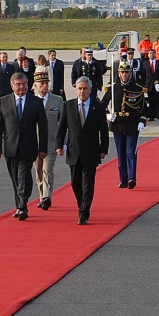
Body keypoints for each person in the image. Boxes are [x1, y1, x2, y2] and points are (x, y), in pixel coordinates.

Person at [0, 73, 48, 221]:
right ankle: (19, 206)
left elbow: (43, 127)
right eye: (18, 84)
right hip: (10, 147)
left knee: (23, 177)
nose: (21, 87)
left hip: (29, 147)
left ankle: (22, 206)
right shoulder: (3, 102)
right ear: (12, 86)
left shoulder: (35, 102)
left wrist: (43, 148)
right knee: (16, 179)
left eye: (24, 84)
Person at [56, 76, 109, 225]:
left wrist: (103, 148)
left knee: (88, 184)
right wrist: (59, 145)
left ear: (90, 90)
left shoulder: (97, 107)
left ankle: (84, 212)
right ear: (76, 89)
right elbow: (62, 128)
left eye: (85, 88)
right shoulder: (68, 106)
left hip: (91, 151)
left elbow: (103, 131)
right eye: (79, 88)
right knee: (75, 182)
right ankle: (82, 204)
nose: (82, 91)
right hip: (74, 151)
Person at [103, 63, 147, 189]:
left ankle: (132, 178)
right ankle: (123, 179)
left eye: (127, 72)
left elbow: (144, 108)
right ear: (119, 74)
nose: (124, 75)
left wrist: (142, 121)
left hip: (132, 123)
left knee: (131, 151)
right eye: (122, 72)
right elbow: (102, 104)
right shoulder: (113, 88)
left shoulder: (137, 89)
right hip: (117, 124)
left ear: (130, 73)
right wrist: (107, 115)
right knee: (121, 153)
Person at [31, 68, 64, 211]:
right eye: (42, 83)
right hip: (34, 142)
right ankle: (41, 197)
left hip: (51, 142)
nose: (45, 86)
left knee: (47, 170)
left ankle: (47, 197)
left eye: (46, 83)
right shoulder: (30, 100)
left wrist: (63, 142)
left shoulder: (57, 100)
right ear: (35, 85)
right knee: (38, 172)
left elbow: (63, 123)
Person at [143, 49, 159, 121]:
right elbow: (143, 75)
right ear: (148, 55)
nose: (152, 55)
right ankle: (151, 116)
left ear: (155, 54)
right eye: (150, 53)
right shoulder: (145, 64)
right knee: (150, 100)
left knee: (158, 100)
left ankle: (158, 114)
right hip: (149, 85)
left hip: (157, 85)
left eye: (153, 53)